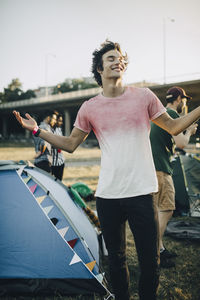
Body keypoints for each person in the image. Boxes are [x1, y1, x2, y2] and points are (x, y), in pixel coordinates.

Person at [13, 40, 200, 300]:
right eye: (111, 58)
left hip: (143, 191)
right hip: (108, 195)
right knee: (116, 261)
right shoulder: (89, 107)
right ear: (99, 69)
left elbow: (175, 127)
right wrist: (36, 130)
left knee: (149, 261)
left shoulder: (144, 96)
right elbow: (70, 144)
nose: (118, 61)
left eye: (120, 58)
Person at [150, 87, 197, 268]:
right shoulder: (170, 113)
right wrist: (189, 132)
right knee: (167, 209)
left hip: (153, 168)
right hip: (161, 168)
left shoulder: (160, 113)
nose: (185, 103)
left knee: (156, 211)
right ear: (179, 99)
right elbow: (181, 143)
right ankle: (155, 251)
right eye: (184, 100)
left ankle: (159, 248)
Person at [51, 114, 65, 181]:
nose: (61, 123)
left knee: (59, 182)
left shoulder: (59, 129)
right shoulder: (50, 130)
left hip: (60, 161)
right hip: (52, 163)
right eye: (59, 121)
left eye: (61, 121)